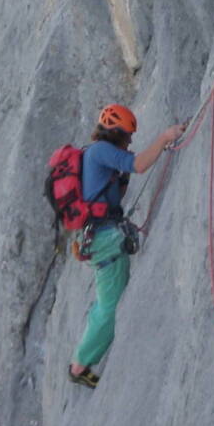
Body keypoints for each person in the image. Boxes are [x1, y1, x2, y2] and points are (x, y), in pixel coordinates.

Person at [69, 104, 185, 388]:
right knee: (111, 307)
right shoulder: (101, 151)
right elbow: (139, 164)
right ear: (116, 133)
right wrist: (165, 136)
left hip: (100, 237)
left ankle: (82, 360)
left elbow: (123, 177)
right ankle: (80, 366)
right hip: (105, 239)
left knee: (105, 300)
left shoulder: (95, 152)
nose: (130, 140)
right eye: (128, 135)